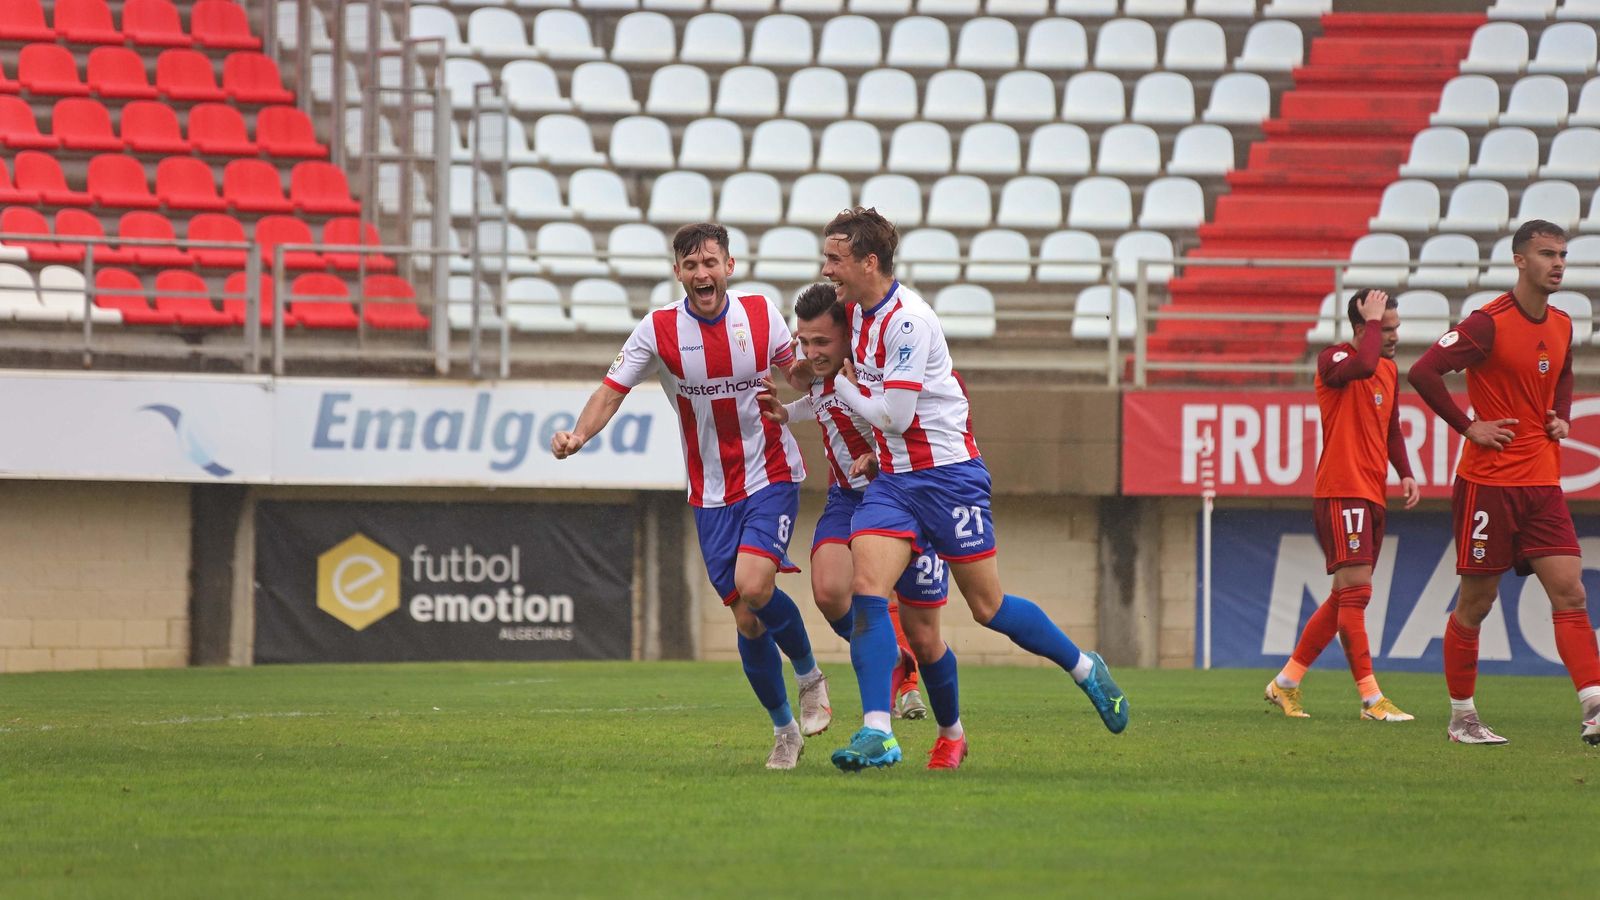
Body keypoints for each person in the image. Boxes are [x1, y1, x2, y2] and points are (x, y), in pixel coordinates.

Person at [813, 207, 1129, 772]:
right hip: (893, 482)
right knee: (867, 589)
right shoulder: (855, 314)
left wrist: (838, 387)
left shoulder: (908, 320)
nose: (826, 267)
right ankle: (878, 732)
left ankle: (1085, 667)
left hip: (949, 478)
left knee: (989, 607)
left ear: (868, 261)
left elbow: (894, 412)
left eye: (835, 258)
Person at [550, 222, 831, 769]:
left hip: (769, 473)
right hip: (709, 492)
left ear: (728, 265)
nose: (702, 273)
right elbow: (613, 390)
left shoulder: (760, 314)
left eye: (711, 262)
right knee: (747, 620)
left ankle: (810, 676)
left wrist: (814, 368)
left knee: (755, 586)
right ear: (677, 272)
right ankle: (784, 732)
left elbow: (794, 371)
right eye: (690, 264)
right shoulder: (657, 331)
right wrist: (579, 435)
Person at [1408, 219, 1600, 746]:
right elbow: (1423, 371)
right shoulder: (1486, 323)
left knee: (1571, 593)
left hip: (1542, 483)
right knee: (1477, 603)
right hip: (1487, 485)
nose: (1557, 263)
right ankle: (1462, 718)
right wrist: (1469, 425)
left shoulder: (1561, 322)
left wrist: (1560, 415)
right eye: (1546, 254)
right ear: (1520, 261)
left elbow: (1561, 371)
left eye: (1562, 254)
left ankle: (1594, 706)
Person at [759, 283, 938, 727]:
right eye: (803, 341)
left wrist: (878, 458)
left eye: (821, 341)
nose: (810, 352)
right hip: (844, 497)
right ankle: (894, 658)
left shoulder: (867, 373)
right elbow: (818, 403)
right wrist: (786, 413)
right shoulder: (822, 376)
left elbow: (903, 420)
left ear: (847, 335)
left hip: (888, 492)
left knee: (873, 590)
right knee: (827, 592)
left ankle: (904, 680)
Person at [1265, 289, 1420, 722]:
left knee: (1343, 598)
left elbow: (1391, 429)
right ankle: (1371, 699)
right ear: (1361, 328)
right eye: (1384, 328)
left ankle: (1286, 683)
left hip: (1372, 493)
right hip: (1341, 489)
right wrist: (1370, 327)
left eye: (1394, 327)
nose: (1393, 336)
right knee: (1357, 593)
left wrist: (1405, 471)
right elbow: (1363, 362)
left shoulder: (1388, 371)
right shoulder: (1332, 360)